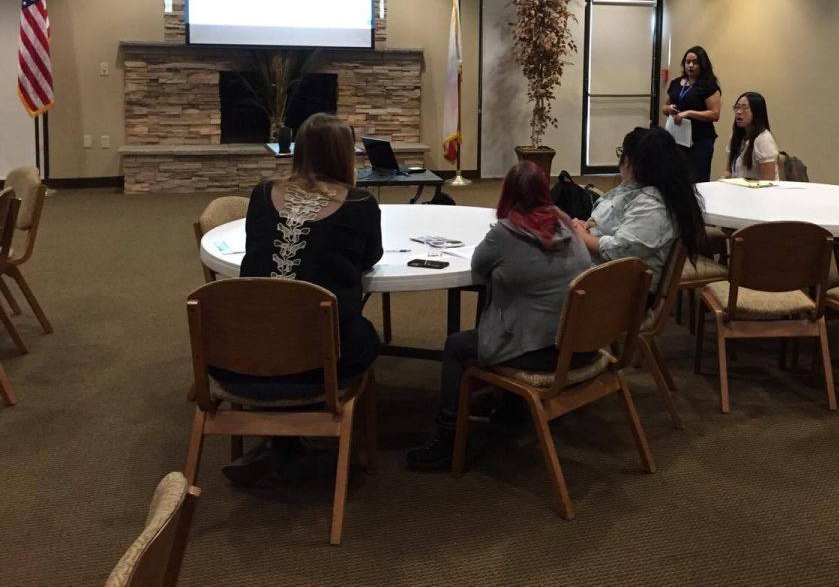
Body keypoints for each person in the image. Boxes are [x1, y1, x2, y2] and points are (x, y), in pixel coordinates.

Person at [218, 113, 383, 486]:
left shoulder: (262, 193)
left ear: (300, 152)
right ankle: (309, 441)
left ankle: (282, 444)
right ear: (344, 155)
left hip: (241, 356)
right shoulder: (360, 205)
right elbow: (370, 258)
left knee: (288, 324)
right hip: (324, 364)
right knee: (366, 337)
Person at [406, 162, 593, 471]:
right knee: (524, 310)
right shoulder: (566, 225)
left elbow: (479, 268)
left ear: (506, 195)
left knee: (456, 346)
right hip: (579, 343)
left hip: (541, 354)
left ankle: (450, 439)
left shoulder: (506, 233)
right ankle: (512, 407)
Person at [570, 126, 706, 296]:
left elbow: (620, 251)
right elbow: (611, 215)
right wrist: (588, 225)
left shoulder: (654, 205)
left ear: (631, 161)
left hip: (623, 292)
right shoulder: (637, 186)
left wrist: (581, 235)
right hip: (608, 273)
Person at [662, 46, 722, 183]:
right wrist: (669, 108)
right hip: (677, 138)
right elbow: (664, 108)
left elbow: (714, 114)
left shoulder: (708, 85)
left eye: (695, 62)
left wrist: (689, 113)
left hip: (699, 141)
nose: (690, 65)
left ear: (703, 64)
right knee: (676, 179)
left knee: (696, 180)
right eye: (687, 62)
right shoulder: (676, 83)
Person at [725, 92, 779, 180]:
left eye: (744, 108)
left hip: (759, 192)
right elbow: (728, 172)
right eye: (737, 107)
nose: (738, 112)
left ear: (757, 112)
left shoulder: (763, 139)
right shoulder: (735, 137)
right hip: (738, 190)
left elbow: (768, 181)